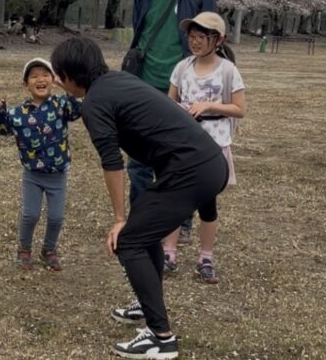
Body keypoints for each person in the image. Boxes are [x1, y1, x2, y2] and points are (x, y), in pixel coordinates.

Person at [51, 37, 227, 360]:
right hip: (209, 162)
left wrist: (119, 219)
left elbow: (112, 162)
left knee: (128, 240)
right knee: (143, 230)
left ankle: (161, 338)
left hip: (192, 171)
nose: (57, 81)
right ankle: (148, 305)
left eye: (59, 74)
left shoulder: (94, 103)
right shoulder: (118, 81)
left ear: (70, 74)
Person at [127, 0, 217, 258]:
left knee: (179, 158)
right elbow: (140, 29)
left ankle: (181, 221)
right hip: (145, 80)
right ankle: (142, 217)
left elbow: (210, 35)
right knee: (138, 158)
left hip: (184, 86)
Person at [160, 12, 245, 284]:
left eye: (201, 37)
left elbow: (239, 109)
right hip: (183, 143)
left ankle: (206, 258)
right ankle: (168, 253)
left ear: (218, 40)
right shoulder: (182, 67)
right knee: (176, 199)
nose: (194, 42)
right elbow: (169, 101)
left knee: (208, 203)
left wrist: (207, 106)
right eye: (191, 36)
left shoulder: (228, 70)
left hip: (213, 145)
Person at [0, 58, 82, 271]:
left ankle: (49, 250)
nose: (40, 79)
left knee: (56, 217)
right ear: (26, 84)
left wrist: (66, 87)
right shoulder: (18, 113)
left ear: (53, 79)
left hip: (57, 174)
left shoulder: (61, 105)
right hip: (32, 174)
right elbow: (0, 129)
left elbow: (78, 109)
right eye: (34, 76)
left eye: (45, 75)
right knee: (30, 215)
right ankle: (24, 249)